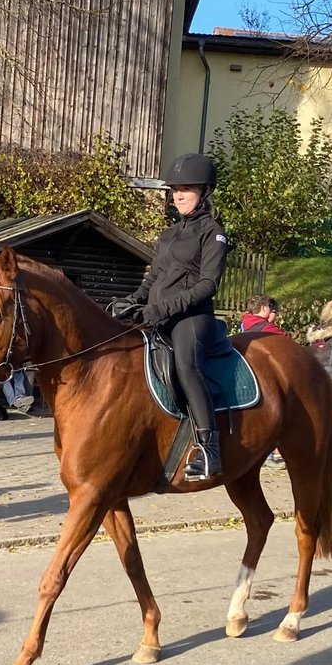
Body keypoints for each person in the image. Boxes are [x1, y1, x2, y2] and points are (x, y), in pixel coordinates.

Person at [111, 152, 229, 480]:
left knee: (186, 366)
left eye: (186, 189)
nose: (178, 195)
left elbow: (208, 284)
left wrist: (163, 308)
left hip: (191, 319)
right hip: (156, 315)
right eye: (175, 189)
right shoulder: (169, 235)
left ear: (204, 192)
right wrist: (133, 301)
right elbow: (154, 279)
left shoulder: (213, 232)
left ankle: (209, 449)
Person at [240, 295, 288, 468]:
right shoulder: (269, 329)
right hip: (266, 375)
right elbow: (288, 346)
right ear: (265, 309)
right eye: (272, 310)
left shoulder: (244, 323)